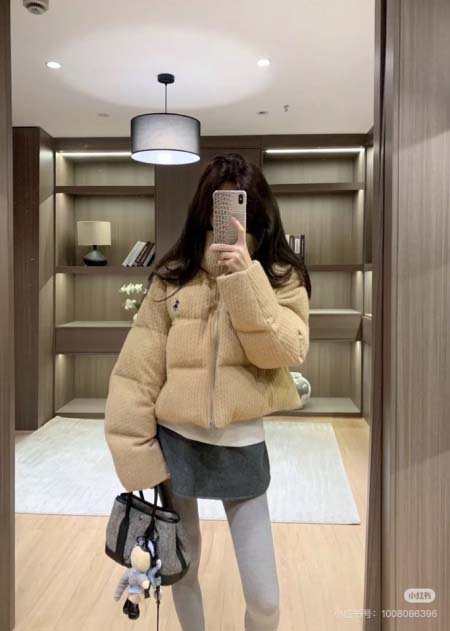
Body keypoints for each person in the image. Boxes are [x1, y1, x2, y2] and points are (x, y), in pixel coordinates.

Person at [104, 152, 311, 631]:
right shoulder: (173, 277)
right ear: (204, 211)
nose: (230, 223)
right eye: (220, 210)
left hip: (242, 447)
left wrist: (245, 278)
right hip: (177, 444)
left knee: (265, 599)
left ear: (258, 214)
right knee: (184, 570)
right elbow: (137, 373)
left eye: (241, 210)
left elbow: (285, 350)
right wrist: (137, 455)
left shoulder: (280, 276)